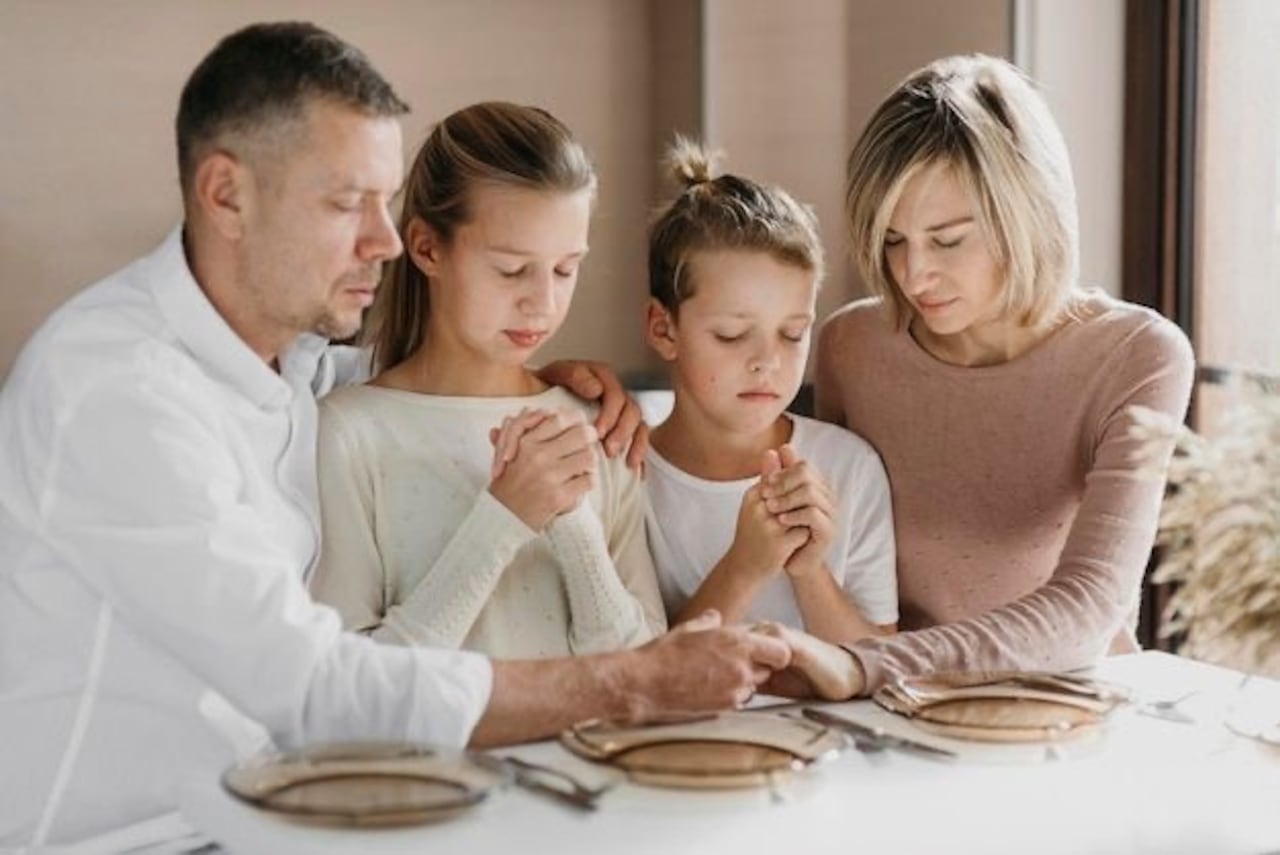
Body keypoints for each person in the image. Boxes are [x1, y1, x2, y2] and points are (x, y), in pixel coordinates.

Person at [0, 23, 791, 847]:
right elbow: (318, 691)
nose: (385, 241)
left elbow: (418, 395)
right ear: (226, 194)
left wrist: (550, 380)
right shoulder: (116, 389)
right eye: (347, 204)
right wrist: (629, 683)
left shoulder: (292, 367)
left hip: (276, 821)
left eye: (385, 201)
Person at [795, 53, 1195, 697]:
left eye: (948, 239)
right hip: (890, 715)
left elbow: (1090, 607)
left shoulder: (1139, 356)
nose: (912, 274)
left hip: (1066, 715)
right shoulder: (853, 345)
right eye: (892, 240)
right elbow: (829, 557)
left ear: (1027, 215)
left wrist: (872, 665)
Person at [310, 102, 666, 657]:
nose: (543, 302)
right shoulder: (347, 432)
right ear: (427, 248)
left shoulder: (600, 426)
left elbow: (649, 671)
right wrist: (504, 520)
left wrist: (575, 532)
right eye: (511, 269)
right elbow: (352, 684)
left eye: (565, 269)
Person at [642, 139, 897, 645]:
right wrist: (746, 566)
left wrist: (809, 570)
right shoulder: (628, 480)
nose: (768, 361)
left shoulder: (850, 467)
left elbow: (881, 662)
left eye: (793, 333)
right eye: (733, 335)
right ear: (664, 329)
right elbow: (638, 670)